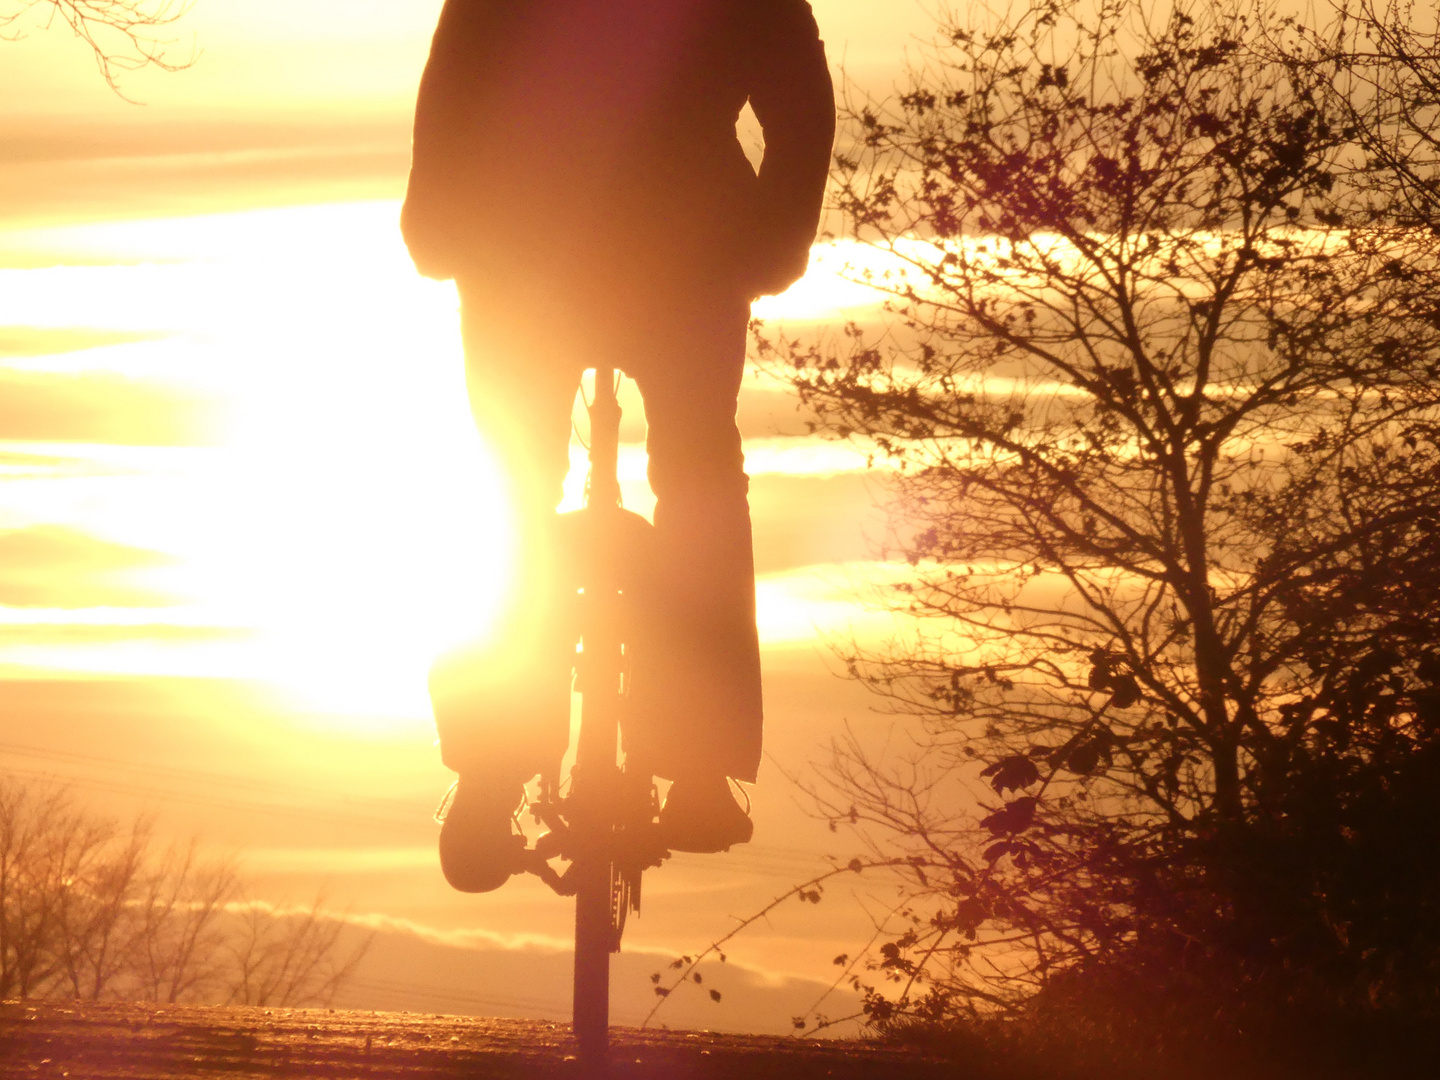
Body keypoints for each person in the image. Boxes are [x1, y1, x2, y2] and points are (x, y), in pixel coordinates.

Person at [402, 0, 835, 893]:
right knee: (700, 481)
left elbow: (455, 80)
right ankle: (701, 767)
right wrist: (775, 235)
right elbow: (801, 99)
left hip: (527, 240)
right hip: (678, 246)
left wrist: (436, 217)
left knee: (516, 485)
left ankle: (491, 763)